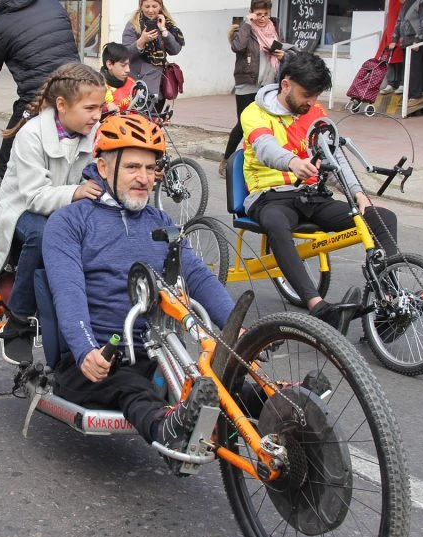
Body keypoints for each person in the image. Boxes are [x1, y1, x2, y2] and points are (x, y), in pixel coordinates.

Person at [44, 114, 231, 462]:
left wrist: (238, 327)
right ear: (102, 167)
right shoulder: (69, 222)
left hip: (158, 353)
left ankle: (282, 407)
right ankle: (167, 430)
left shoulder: (159, 221)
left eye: (150, 168)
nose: (144, 179)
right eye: (132, 167)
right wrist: (86, 351)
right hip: (100, 356)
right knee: (131, 386)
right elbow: (67, 292)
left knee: (221, 383)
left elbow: (198, 276)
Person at [240, 53, 399, 334]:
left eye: (316, 96)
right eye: (307, 94)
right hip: (269, 195)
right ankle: (318, 307)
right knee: (277, 224)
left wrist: (358, 194)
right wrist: (292, 162)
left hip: (312, 195)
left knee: (381, 217)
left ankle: (390, 303)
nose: (311, 102)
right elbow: (265, 147)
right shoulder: (254, 112)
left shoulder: (315, 114)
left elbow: (335, 155)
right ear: (286, 85)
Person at [0, 62, 105, 366]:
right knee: (43, 233)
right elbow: (35, 197)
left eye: (100, 107)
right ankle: (18, 323)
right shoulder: (32, 135)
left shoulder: (95, 134)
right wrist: (76, 192)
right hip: (22, 210)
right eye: (90, 108)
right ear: (61, 105)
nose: (98, 115)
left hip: (68, 211)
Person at [0, 0, 78, 177]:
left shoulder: (1, 25)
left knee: (9, 158)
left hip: (37, 99)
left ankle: (12, 203)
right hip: (76, 92)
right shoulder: (54, 5)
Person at [222, 0, 284, 177]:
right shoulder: (245, 29)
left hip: (269, 83)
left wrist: (282, 54)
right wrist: (247, 24)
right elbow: (238, 47)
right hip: (247, 83)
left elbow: (286, 49)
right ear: (252, 13)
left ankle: (258, 160)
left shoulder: (275, 28)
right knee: (243, 123)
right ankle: (226, 159)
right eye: (258, 14)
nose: (262, 18)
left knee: (266, 123)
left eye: (265, 14)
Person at [121, 0, 184, 102]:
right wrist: (141, 41)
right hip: (138, 83)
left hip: (159, 84)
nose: (150, 10)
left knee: (157, 116)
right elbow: (125, 55)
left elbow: (175, 50)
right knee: (141, 116)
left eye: (154, 6)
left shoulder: (167, 24)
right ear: (141, 6)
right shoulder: (133, 25)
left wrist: (164, 31)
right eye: (147, 6)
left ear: (160, 6)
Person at [380, 0, 423, 107]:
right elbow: (399, 21)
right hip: (406, 42)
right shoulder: (405, 4)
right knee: (408, 70)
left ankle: (416, 96)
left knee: (414, 70)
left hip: (416, 42)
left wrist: (418, 40)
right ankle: (409, 96)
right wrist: (394, 40)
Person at [101, 42, 135, 115]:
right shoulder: (98, 86)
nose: (128, 70)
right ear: (109, 64)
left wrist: (155, 119)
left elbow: (140, 110)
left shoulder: (132, 82)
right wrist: (106, 108)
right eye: (123, 65)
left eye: (128, 65)